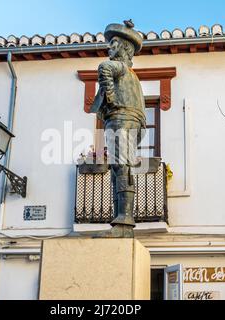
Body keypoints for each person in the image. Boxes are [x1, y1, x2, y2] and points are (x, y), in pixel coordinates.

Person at [91, 20, 146, 238]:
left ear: (124, 47)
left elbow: (103, 68)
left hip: (121, 119)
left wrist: (111, 99)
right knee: (120, 167)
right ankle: (121, 221)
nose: (109, 48)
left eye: (113, 43)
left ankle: (123, 222)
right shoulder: (134, 78)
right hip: (134, 122)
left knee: (120, 167)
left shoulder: (120, 68)